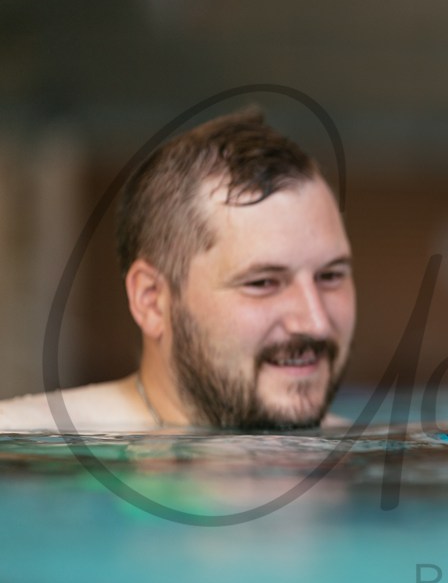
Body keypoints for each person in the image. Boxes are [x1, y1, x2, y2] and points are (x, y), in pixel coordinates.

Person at [0, 109, 355, 432]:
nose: (316, 323)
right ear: (152, 300)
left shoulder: (358, 446)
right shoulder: (22, 445)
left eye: (331, 276)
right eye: (263, 283)